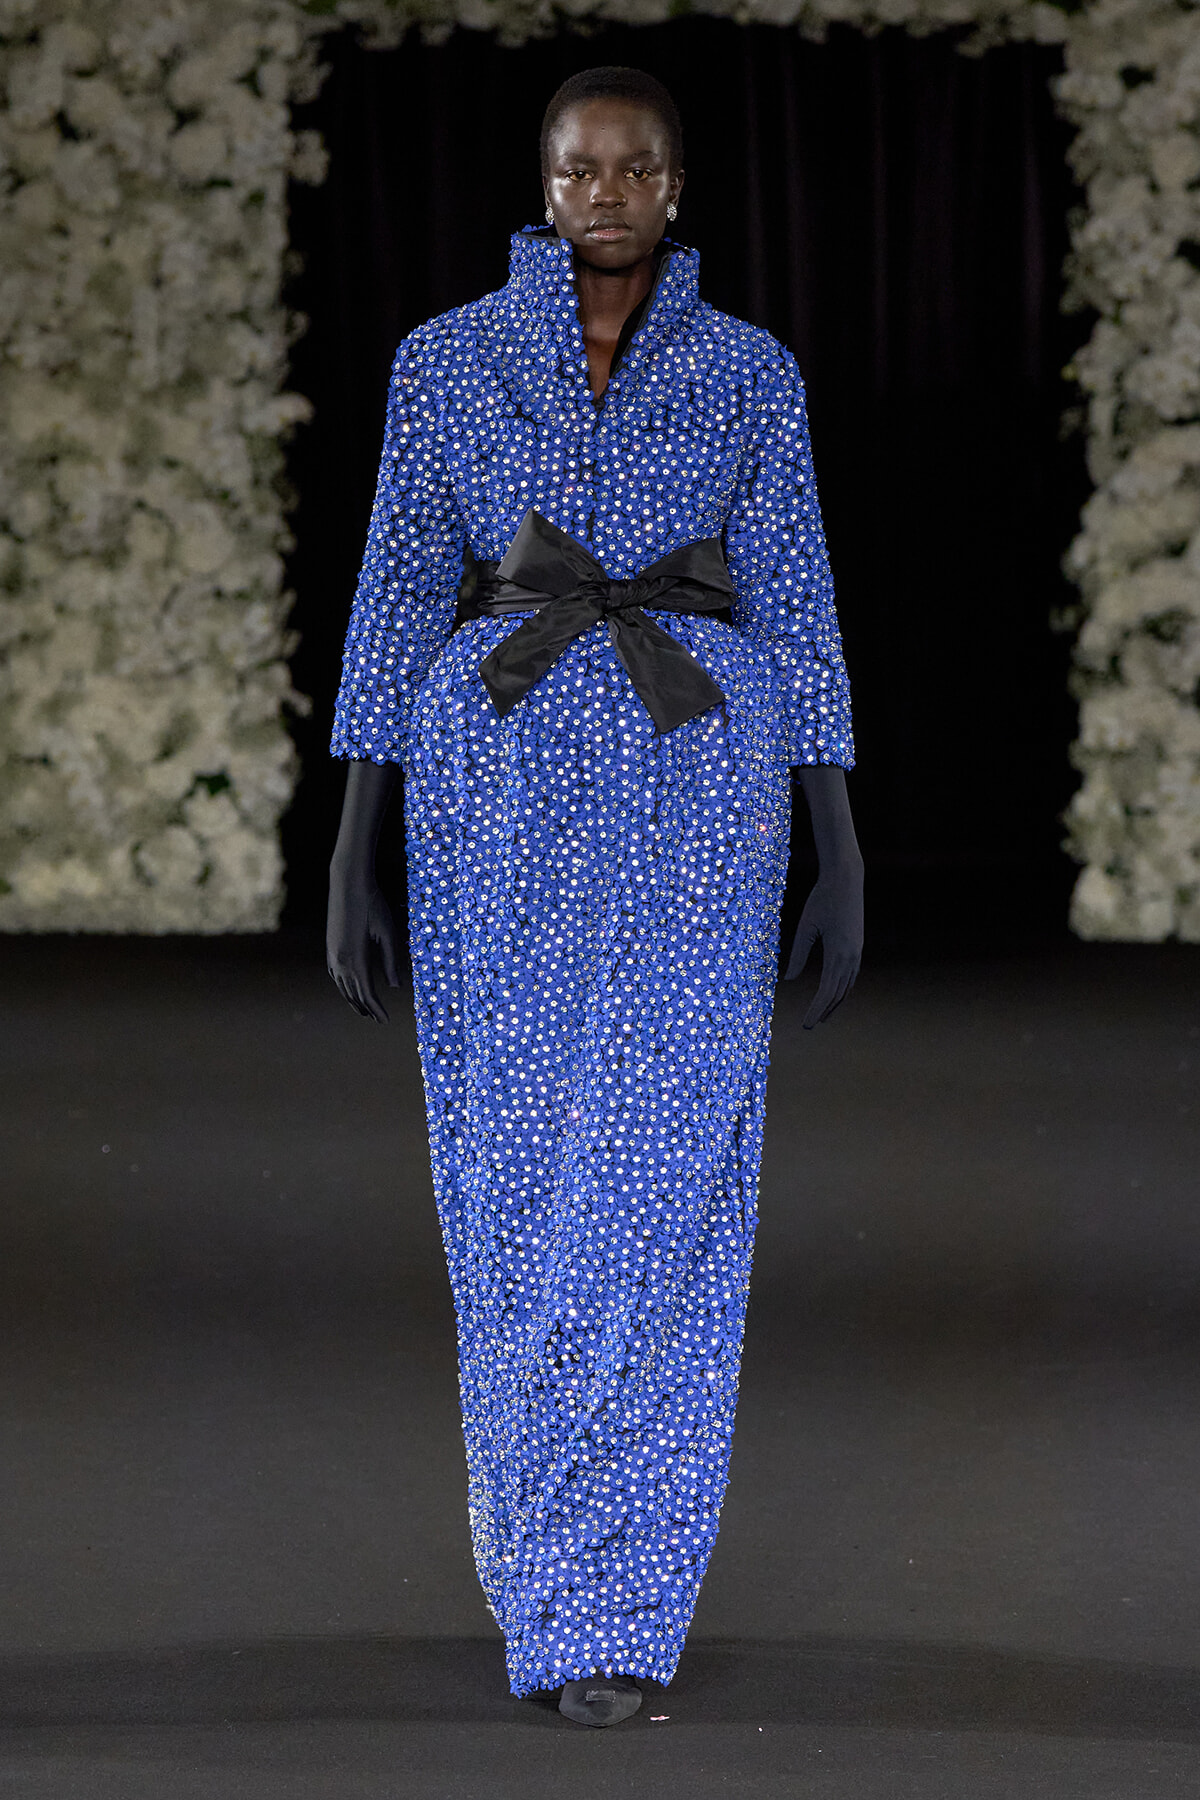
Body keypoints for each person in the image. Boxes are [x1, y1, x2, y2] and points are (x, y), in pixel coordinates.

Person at [326, 65, 864, 1728]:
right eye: (579, 167)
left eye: (635, 167)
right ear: (543, 185)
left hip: (704, 784)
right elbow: (399, 584)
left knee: (669, 1174)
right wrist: (355, 837)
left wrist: (836, 831)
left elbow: (798, 594)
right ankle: (546, 1561)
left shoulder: (749, 374)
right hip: (494, 785)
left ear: (679, 187)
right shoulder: (446, 360)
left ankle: (614, 1607)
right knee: (512, 1174)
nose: (606, 190)